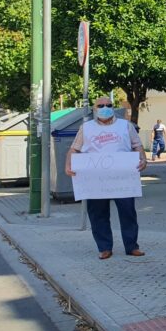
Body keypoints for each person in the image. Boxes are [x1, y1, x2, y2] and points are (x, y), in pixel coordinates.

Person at [65, 96, 148, 259]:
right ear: (94, 109)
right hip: (95, 181)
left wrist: (143, 159)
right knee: (97, 214)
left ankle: (131, 246)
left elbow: (137, 146)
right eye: (100, 105)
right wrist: (68, 165)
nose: (105, 107)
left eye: (108, 105)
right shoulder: (86, 128)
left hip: (122, 180)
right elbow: (74, 149)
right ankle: (104, 248)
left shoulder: (125, 126)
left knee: (128, 212)